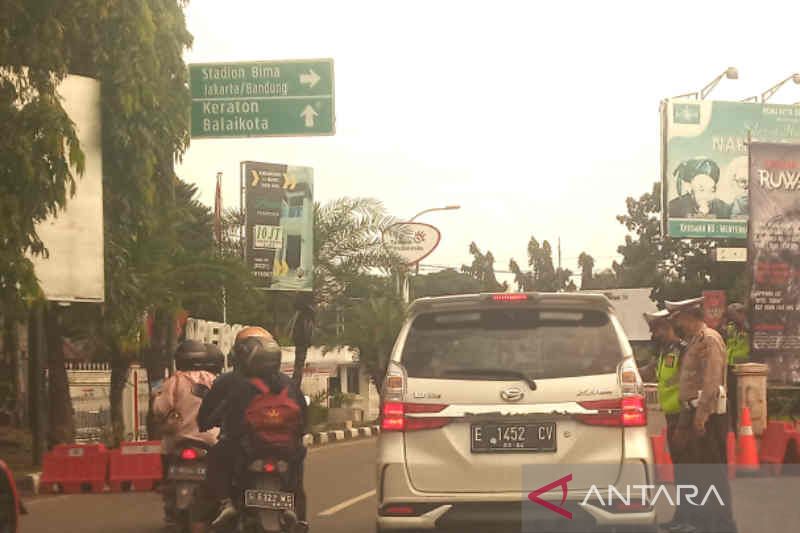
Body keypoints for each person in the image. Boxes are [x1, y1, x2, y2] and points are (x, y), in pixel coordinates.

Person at [197, 334, 308, 530]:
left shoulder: (236, 385)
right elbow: (304, 421)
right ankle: (298, 513)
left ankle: (226, 503)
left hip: (247, 450)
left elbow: (216, 416)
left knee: (215, 457)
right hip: (286, 451)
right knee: (296, 471)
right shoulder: (289, 384)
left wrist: (208, 423)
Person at [666, 297, 738, 533]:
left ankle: (723, 525)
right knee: (701, 473)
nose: (677, 323)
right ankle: (705, 523)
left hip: (708, 415)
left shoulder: (709, 339)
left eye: (679, 318)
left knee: (713, 473)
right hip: (695, 412)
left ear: (689, 317)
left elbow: (711, 380)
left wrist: (701, 416)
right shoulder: (695, 340)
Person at [152, 340, 223, 525]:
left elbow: (160, 409)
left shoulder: (175, 381)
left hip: (179, 441)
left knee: (167, 467)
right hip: (210, 441)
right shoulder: (215, 380)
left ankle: (168, 492)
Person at [640, 310, 690, 533]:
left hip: (684, 415)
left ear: (667, 327)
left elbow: (688, 381)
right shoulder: (665, 351)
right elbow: (651, 372)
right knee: (680, 470)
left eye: (656, 330)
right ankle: (681, 516)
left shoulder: (682, 350)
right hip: (671, 415)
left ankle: (690, 519)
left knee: (687, 469)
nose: (653, 334)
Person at [722, 303, 749, 431]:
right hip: (730, 368)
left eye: (734, 316)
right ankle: (735, 427)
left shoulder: (750, 329)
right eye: (731, 316)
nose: (732, 319)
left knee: (744, 400)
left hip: (745, 370)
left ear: (742, 314)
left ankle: (745, 425)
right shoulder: (731, 328)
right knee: (731, 401)